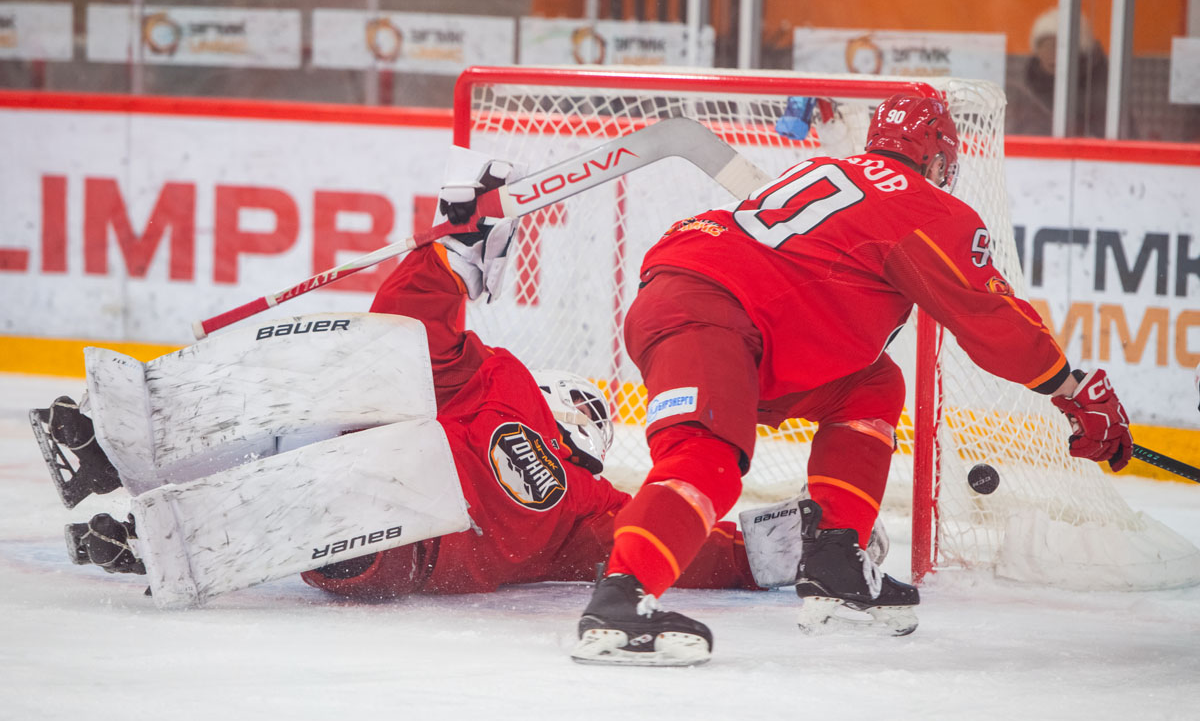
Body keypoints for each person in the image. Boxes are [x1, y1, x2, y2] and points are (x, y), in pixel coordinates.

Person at [30, 154, 772, 620]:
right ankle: (130, 493)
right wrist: (450, 257)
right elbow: (411, 340)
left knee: (329, 439)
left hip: (380, 542)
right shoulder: (522, 418)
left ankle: (131, 491)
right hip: (369, 546)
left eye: (591, 419)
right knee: (333, 419)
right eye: (581, 404)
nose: (582, 416)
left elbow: (672, 538)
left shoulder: (577, 489)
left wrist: (771, 551)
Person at [568, 92, 1134, 666]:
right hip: (713, 315)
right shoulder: (923, 205)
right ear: (939, 158)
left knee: (871, 385)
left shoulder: (827, 168)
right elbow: (993, 319)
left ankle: (836, 561)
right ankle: (619, 603)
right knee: (706, 458)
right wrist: (1073, 391)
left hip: (708, 305)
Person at [1007, 7, 1109, 138]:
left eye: (1058, 46)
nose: (1051, 53)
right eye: (1044, 46)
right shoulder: (1023, 88)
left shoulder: (1101, 93)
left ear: (1080, 51)